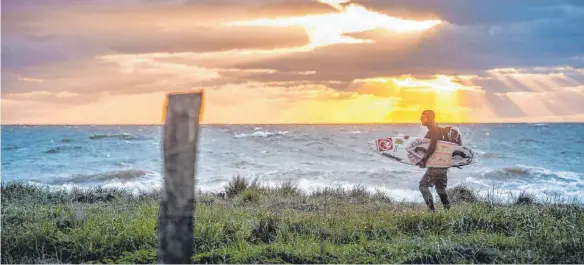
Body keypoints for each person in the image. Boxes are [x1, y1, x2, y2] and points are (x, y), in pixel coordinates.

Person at [416, 110, 451, 212]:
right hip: (443, 164)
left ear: (429, 118)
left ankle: (432, 212)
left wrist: (424, 160)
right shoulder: (437, 129)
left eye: (423, 117)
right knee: (440, 188)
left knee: (423, 186)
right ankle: (448, 211)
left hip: (436, 165)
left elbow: (432, 146)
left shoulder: (434, 130)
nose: (420, 119)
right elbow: (427, 145)